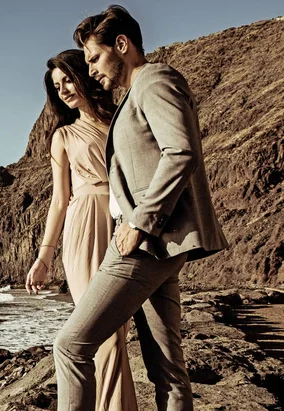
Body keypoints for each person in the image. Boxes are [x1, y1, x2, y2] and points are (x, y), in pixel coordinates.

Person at [50, 5, 229, 411]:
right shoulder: (135, 93)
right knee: (167, 367)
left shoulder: (154, 80)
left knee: (70, 346)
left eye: (94, 58)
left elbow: (181, 152)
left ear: (122, 44)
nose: (91, 69)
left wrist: (140, 223)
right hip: (158, 245)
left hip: (144, 243)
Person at [25, 49, 138, 411]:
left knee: (118, 332)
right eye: (56, 86)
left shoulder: (123, 119)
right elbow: (59, 201)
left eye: (67, 80)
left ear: (84, 75)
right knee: (103, 334)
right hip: (85, 226)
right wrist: (44, 258)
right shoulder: (64, 136)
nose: (63, 90)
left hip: (128, 220)